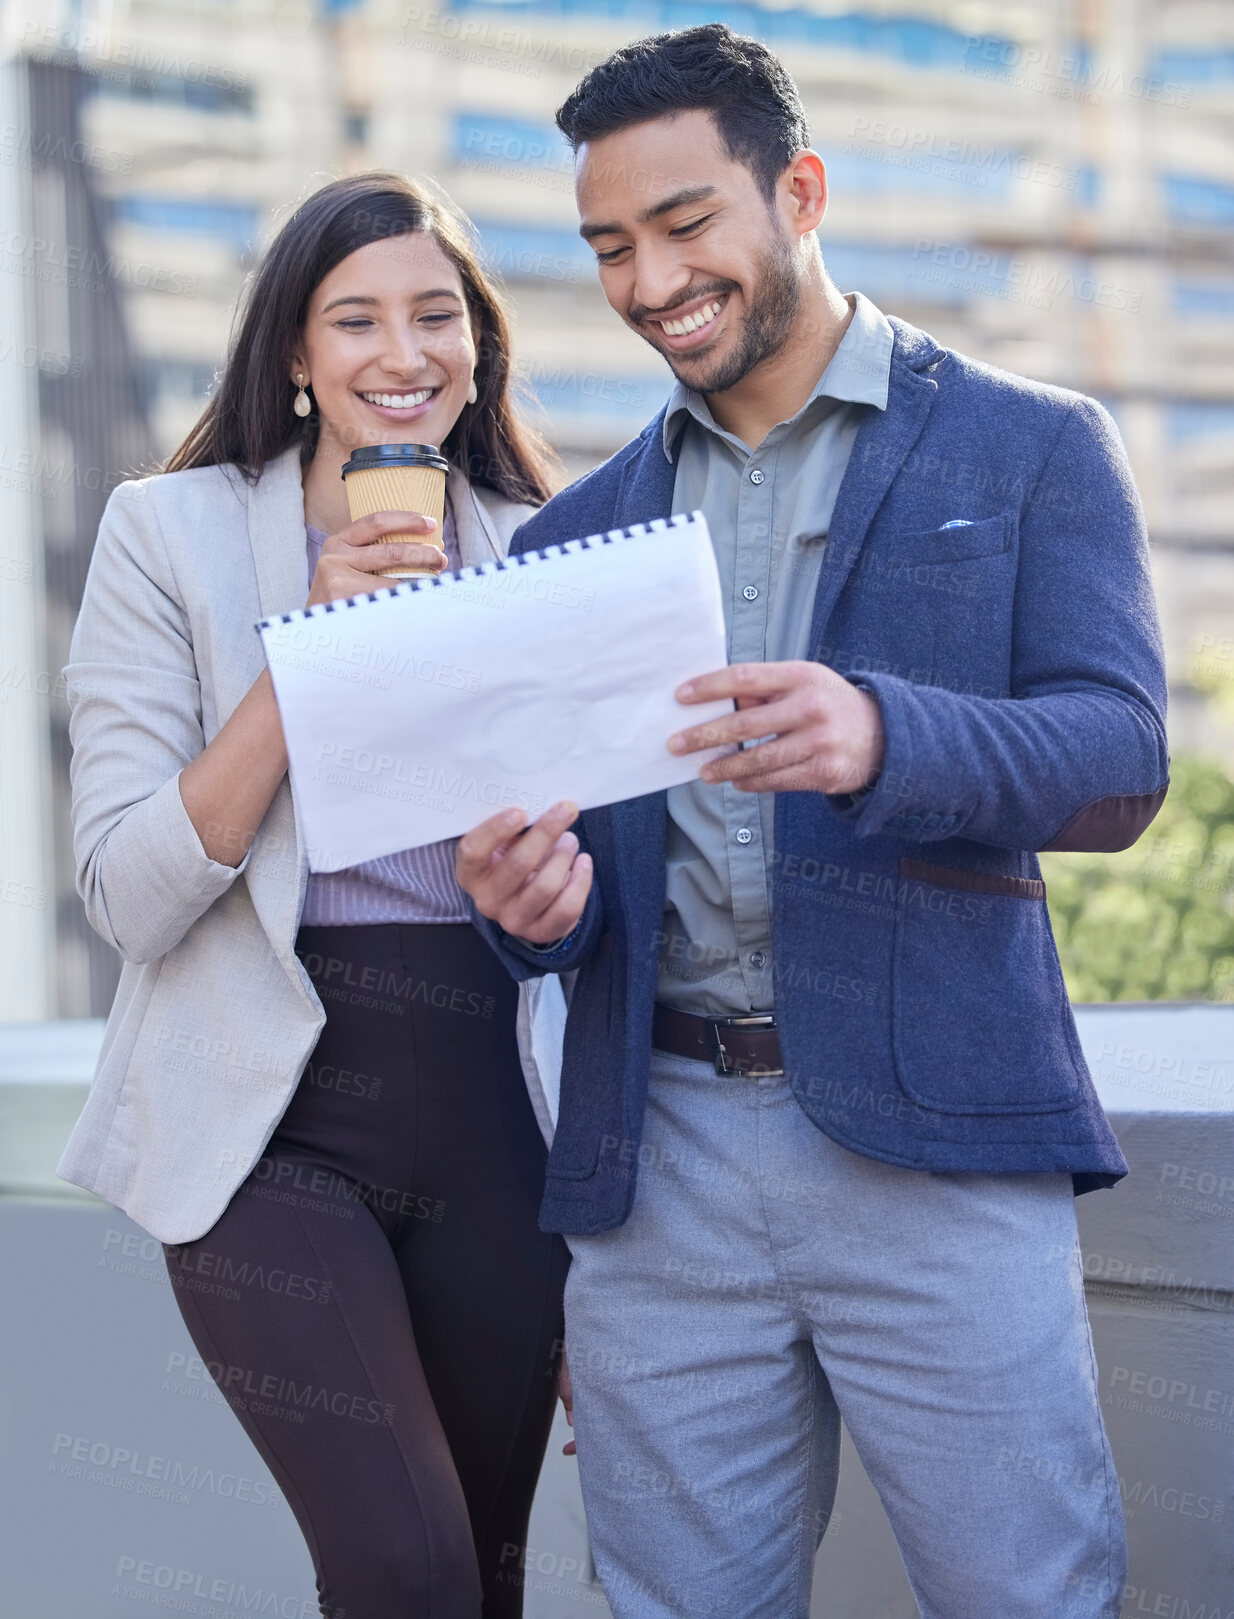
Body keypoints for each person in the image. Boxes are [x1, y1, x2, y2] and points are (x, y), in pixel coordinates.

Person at [456, 26, 1169, 1619]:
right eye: (609, 247)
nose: (648, 280)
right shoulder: (577, 533)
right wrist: (531, 906)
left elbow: (1119, 758)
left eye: (685, 222)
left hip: (941, 1146)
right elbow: (575, 901)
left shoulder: (1029, 444)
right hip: (662, 1165)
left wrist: (882, 731)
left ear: (801, 189)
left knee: (1026, 1598)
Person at [59, 171, 571, 1619]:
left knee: (481, 1574)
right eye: (355, 319)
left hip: (496, 1116)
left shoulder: (543, 545)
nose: (402, 353)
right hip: (261, 1117)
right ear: (293, 352)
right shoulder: (168, 536)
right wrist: (309, 653)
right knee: (399, 1567)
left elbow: (607, 907)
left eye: (437, 315)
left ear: (479, 345)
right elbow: (127, 891)